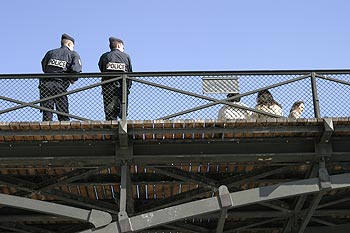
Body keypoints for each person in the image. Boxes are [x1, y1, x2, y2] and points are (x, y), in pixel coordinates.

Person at [40, 33, 82, 121]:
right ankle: (65, 133)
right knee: (63, 114)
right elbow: (76, 70)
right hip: (60, 85)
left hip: (46, 85)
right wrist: (72, 79)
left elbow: (44, 67)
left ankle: (46, 132)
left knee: (47, 114)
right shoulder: (73, 54)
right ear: (70, 44)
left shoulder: (50, 53)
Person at [98, 37, 133, 120]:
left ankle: (110, 125)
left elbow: (101, 68)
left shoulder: (104, 56)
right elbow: (130, 74)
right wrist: (128, 86)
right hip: (122, 88)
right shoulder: (126, 56)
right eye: (123, 47)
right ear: (118, 45)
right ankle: (123, 121)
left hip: (108, 88)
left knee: (109, 112)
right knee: (123, 111)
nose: (123, 50)